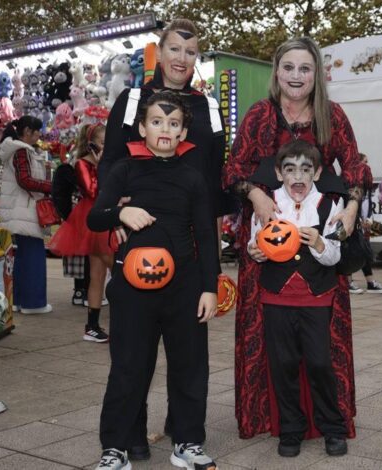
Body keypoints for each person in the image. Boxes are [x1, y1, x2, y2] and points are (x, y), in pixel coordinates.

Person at [222, 36, 372, 440]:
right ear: (277, 72)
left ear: (316, 75)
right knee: (268, 339)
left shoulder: (332, 115)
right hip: (267, 248)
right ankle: (274, 420)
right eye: (288, 67)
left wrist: (352, 208)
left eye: (304, 68)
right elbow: (233, 169)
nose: (296, 76)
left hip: (319, 241)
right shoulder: (258, 116)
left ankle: (329, 421)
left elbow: (355, 164)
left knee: (324, 343)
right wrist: (255, 195)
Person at [98, 18, 229, 460]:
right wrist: (115, 212)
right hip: (137, 237)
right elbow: (111, 164)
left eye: (191, 53)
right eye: (175, 49)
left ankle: (184, 433)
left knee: (189, 356)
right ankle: (126, 438)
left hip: (187, 240)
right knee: (133, 356)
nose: (182, 59)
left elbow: (213, 175)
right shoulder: (133, 98)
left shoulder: (206, 106)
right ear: (161, 51)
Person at [247, 140, 348, 457]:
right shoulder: (268, 206)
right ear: (279, 173)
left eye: (306, 169)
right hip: (276, 297)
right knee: (284, 365)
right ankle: (291, 430)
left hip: (315, 298)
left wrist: (319, 243)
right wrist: (256, 252)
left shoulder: (329, 207)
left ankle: (332, 427)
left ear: (317, 172)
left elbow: (334, 259)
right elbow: (257, 245)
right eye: (290, 170)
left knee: (319, 364)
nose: (298, 177)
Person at [49, 123, 112, 343]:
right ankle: (96, 325)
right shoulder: (82, 164)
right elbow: (93, 190)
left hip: (109, 217)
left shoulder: (110, 161)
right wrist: (104, 163)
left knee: (100, 274)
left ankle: (93, 326)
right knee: (113, 272)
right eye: (103, 142)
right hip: (94, 219)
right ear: (92, 143)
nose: (107, 146)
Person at [0, 115, 53, 314]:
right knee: (33, 257)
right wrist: (51, 186)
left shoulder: (17, 150)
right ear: (27, 131)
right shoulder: (21, 151)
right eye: (37, 130)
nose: (40, 134)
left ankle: (20, 300)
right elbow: (25, 180)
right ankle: (33, 303)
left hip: (20, 210)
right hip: (26, 211)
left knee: (22, 258)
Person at [348, 153, 382, 295]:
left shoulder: (366, 189)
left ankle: (370, 282)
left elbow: (368, 208)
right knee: (350, 252)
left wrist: (369, 220)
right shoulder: (351, 187)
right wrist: (358, 221)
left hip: (363, 228)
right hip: (351, 227)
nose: (367, 166)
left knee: (364, 252)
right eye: (364, 163)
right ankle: (349, 282)